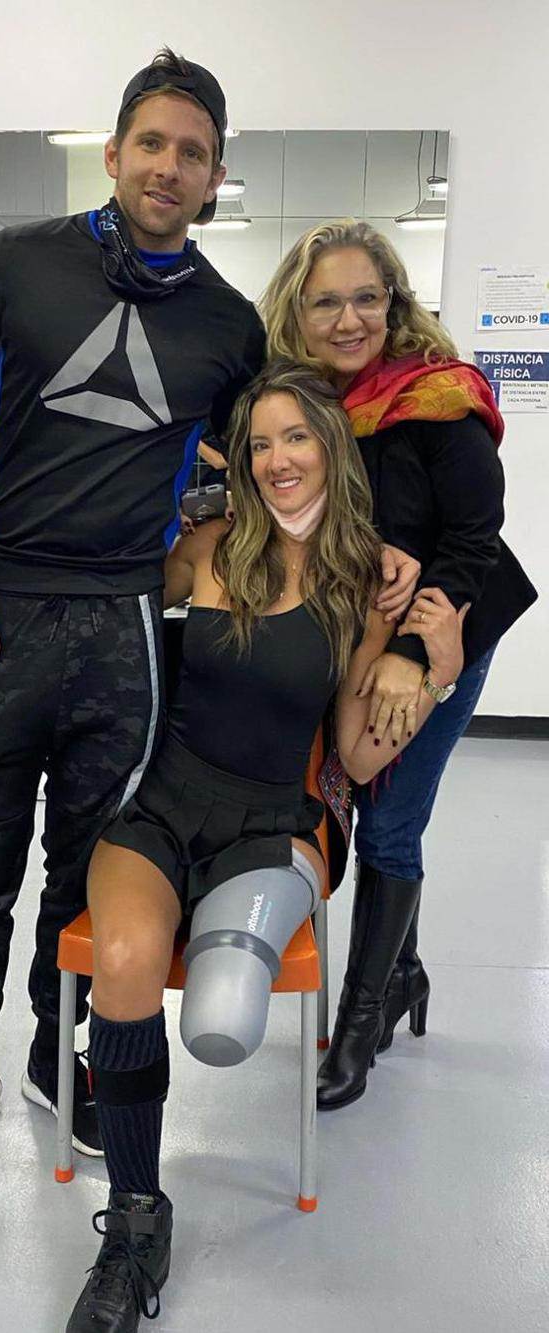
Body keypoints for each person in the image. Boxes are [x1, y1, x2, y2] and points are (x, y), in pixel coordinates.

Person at [0, 49, 271, 1189]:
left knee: (88, 870)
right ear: (112, 153)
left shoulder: (229, 326)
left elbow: (263, 469)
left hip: (125, 628)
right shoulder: (16, 264)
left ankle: (63, 1053)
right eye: (151, 142)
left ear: (214, 179)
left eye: (192, 154)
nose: (167, 166)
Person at [64, 362, 467, 1333]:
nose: (277, 459)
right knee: (123, 959)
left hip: (272, 824)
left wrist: (436, 672)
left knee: (223, 1016)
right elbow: (105, 586)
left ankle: (129, 1106)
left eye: (295, 438)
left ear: (329, 448)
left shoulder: (365, 586)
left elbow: (357, 756)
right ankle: (134, 1221)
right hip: (160, 805)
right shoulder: (209, 546)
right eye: (259, 443)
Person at [260, 220, 537, 1110]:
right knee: (362, 797)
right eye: (326, 302)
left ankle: (358, 1025)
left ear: (393, 302)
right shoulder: (297, 404)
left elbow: (471, 538)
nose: (348, 320)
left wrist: (416, 657)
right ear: (296, 311)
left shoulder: (436, 396)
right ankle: (405, 970)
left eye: (366, 298)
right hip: (354, 631)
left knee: (387, 824)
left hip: (447, 627)